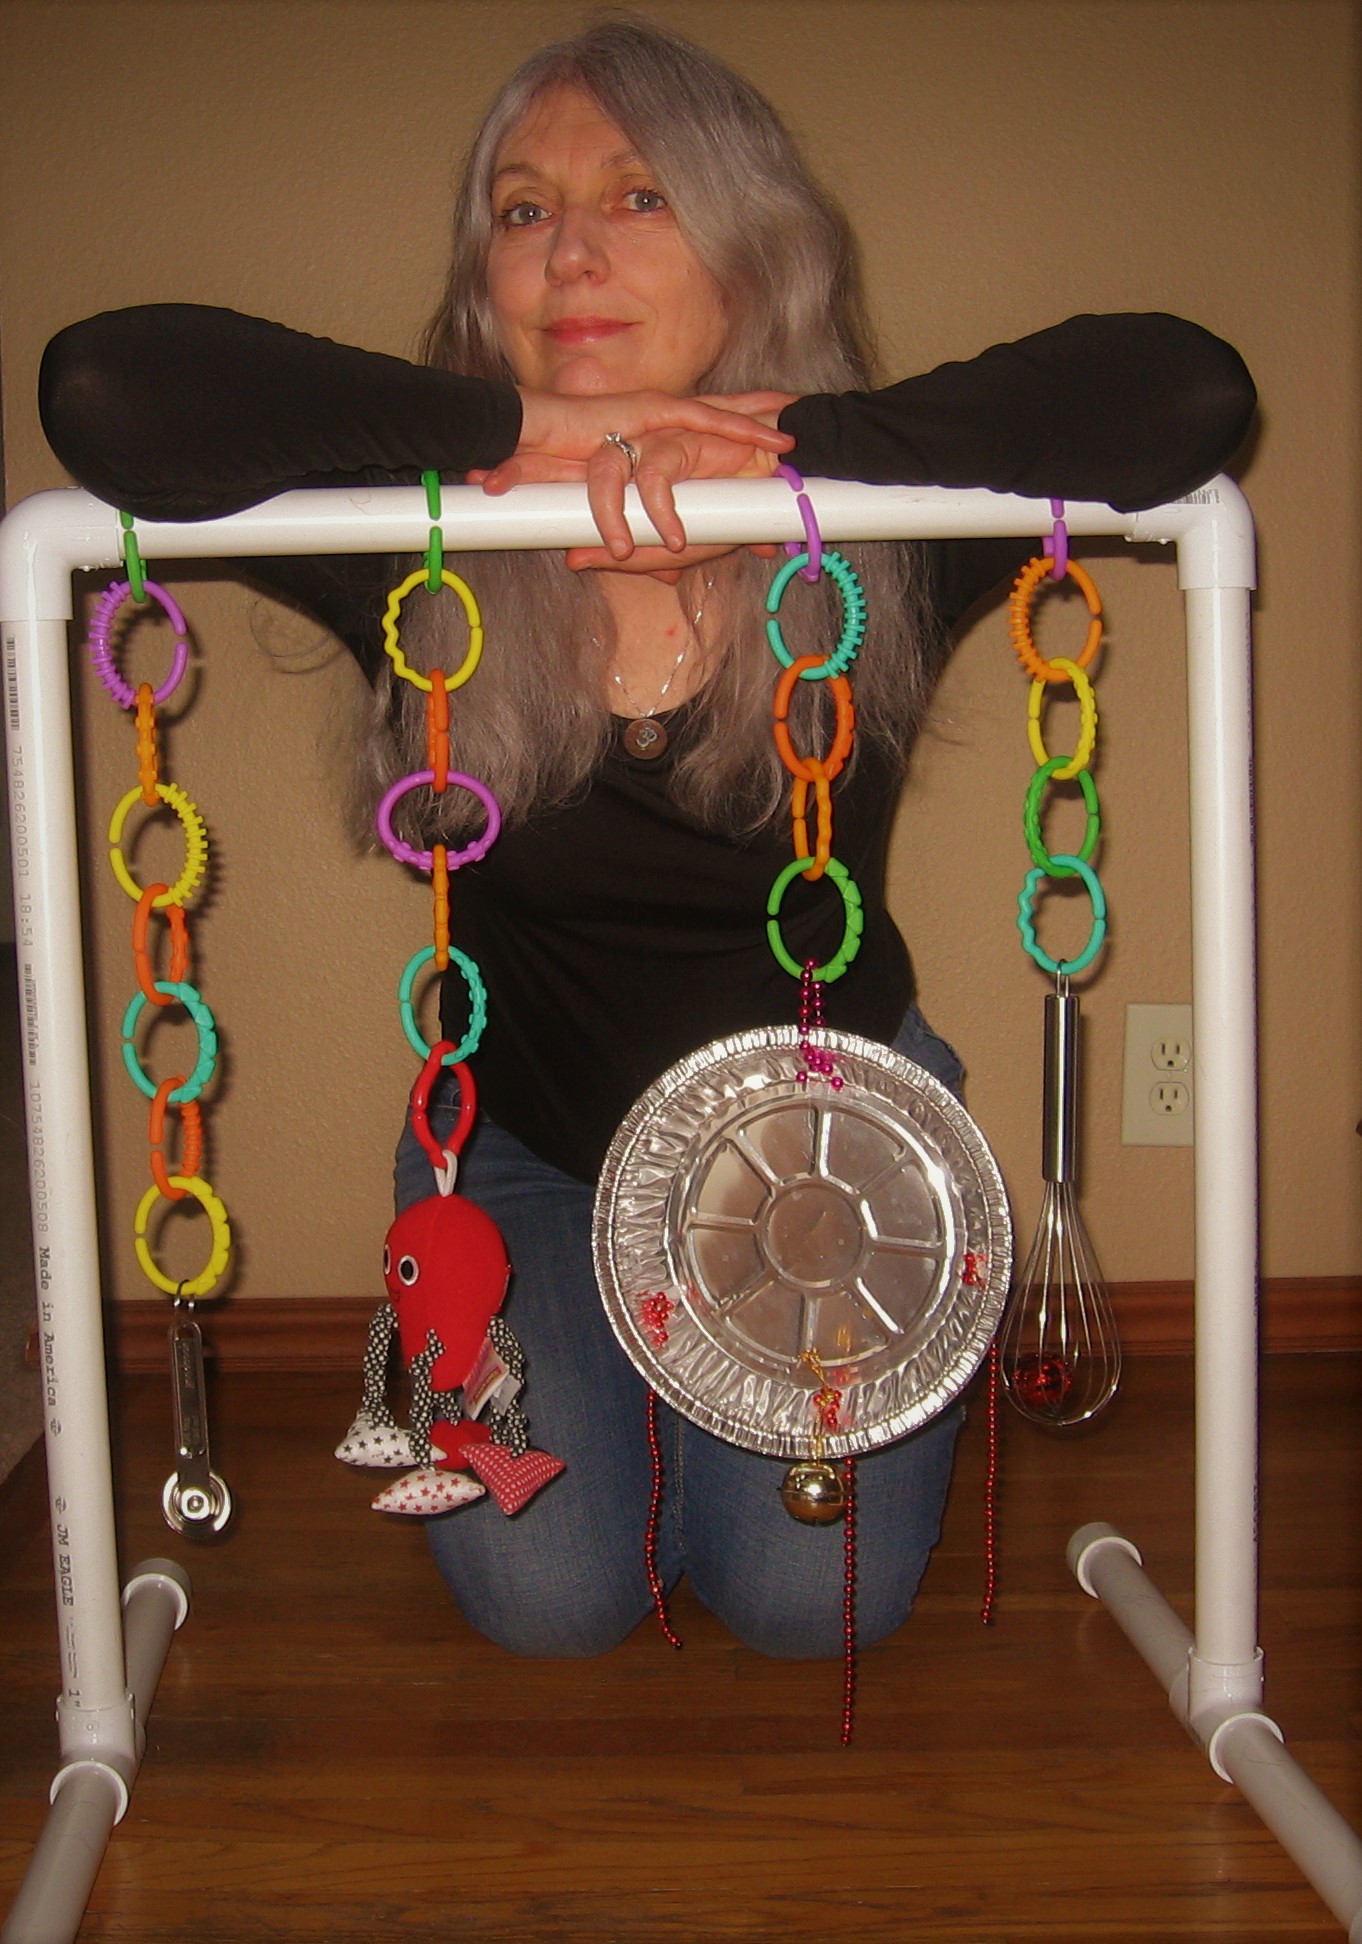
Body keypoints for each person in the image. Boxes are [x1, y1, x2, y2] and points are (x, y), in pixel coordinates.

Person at [39, 18, 1255, 1662]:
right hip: (524, 1146)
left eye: (640, 197)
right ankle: (594, 1374)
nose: (572, 254)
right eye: (522, 211)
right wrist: (495, 438)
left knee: (796, 1608)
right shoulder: (413, 548)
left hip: (831, 1157)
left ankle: (767, 1396)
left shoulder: (875, 541)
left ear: (752, 250)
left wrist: (784, 449)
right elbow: (104, 387)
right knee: (561, 1604)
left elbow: (1186, 388)